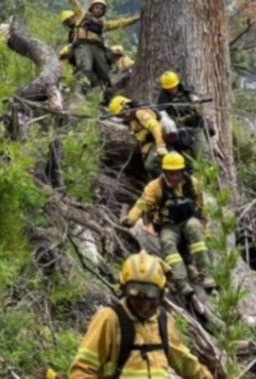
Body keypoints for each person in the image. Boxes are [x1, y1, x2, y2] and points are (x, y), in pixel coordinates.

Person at [68, 251, 213, 378]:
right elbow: (82, 370)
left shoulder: (164, 321)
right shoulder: (110, 319)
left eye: (151, 294)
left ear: (162, 294)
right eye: (135, 293)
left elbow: (184, 362)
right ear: (124, 290)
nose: (143, 302)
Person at [120, 152, 217, 306]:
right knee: (167, 243)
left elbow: (201, 208)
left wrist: (207, 230)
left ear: (182, 171)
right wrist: (132, 218)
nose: (174, 177)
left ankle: (206, 275)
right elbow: (143, 204)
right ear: (165, 172)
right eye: (170, 173)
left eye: (177, 173)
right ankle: (182, 282)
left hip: (189, 221)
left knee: (195, 230)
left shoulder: (193, 183)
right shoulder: (155, 187)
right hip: (169, 225)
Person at [68, 0, 140, 103]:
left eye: (101, 8)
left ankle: (111, 100)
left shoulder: (103, 24)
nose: (99, 10)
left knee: (106, 74)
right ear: (91, 8)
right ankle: (79, 95)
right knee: (85, 68)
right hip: (83, 46)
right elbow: (72, 0)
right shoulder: (81, 15)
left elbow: (120, 23)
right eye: (97, 7)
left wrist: (137, 18)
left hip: (98, 49)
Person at [155, 71, 210, 161]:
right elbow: (162, 113)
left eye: (174, 87)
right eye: (169, 88)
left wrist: (197, 106)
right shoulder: (163, 100)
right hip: (179, 131)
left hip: (195, 127)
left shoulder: (187, 92)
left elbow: (196, 101)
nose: (172, 90)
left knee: (203, 155)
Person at [108, 95, 167, 179]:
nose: (122, 117)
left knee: (151, 166)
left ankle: (167, 183)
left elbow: (155, 127)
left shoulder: (140, 113)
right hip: (149, 145)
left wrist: (160, 146)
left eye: (121, 114)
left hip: (160, 140)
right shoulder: (131, 121)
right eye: (119, 116)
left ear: (126, 107)